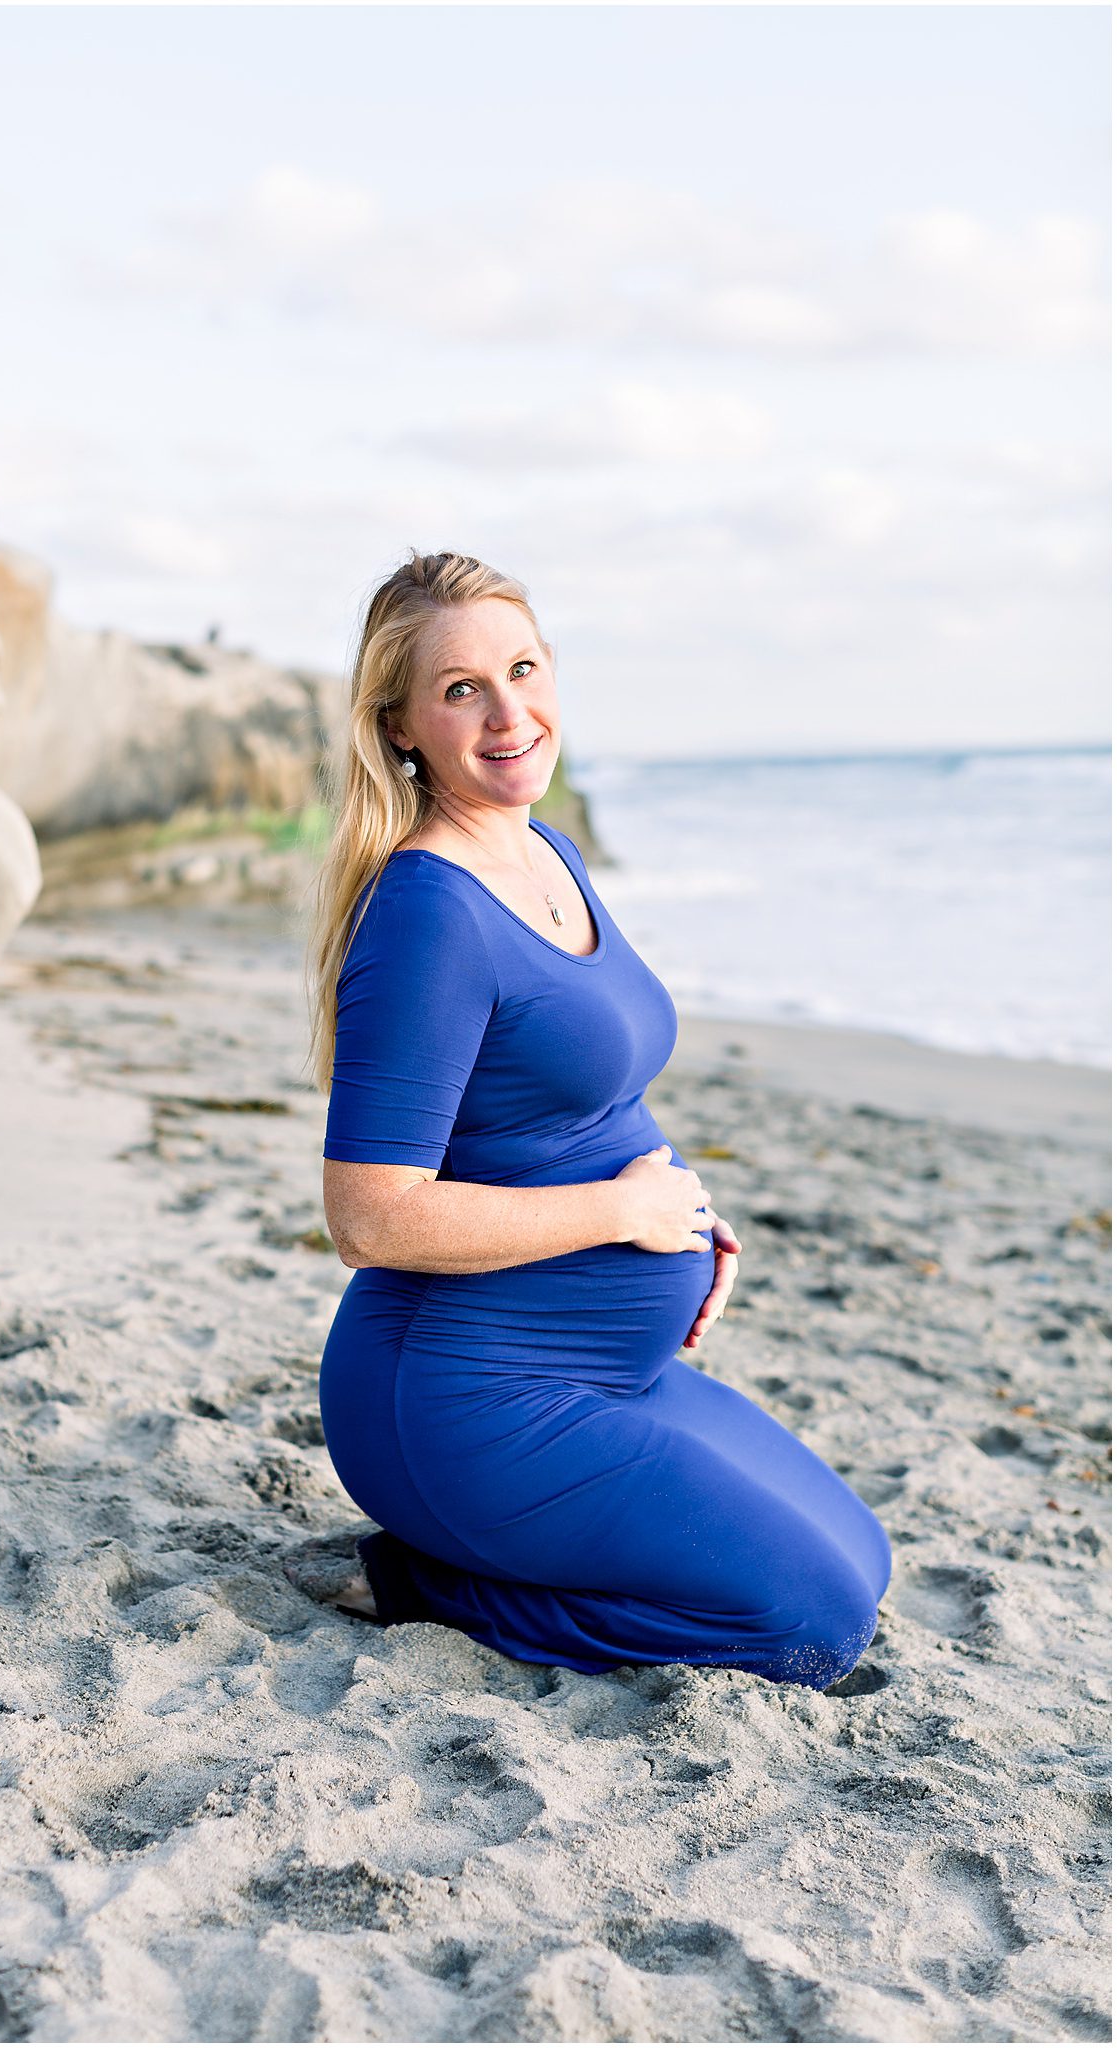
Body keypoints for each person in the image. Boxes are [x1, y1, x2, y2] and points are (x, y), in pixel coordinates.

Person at [300, 550, 891, 1687]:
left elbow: (584, 1091)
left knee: (859, 1560)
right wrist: (624, 1206)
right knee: (809, 1622)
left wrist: (689, 1218)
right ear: (402, 724)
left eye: (522, 669)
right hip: (467, 1394)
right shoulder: (430, 912)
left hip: (599, 1366)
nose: (508, 711)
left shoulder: (546, 852)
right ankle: (425, 1583)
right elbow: (371, 1218)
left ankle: (465, 1559)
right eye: (462, 687)